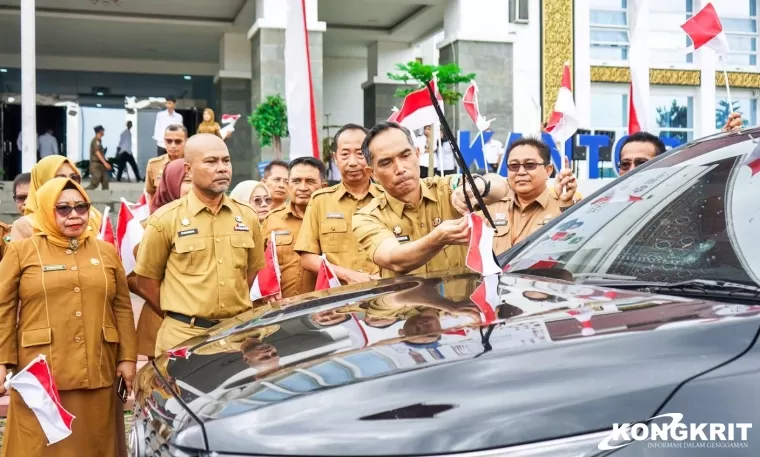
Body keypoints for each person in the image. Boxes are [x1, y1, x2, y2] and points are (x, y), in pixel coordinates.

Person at [0, 177, 137, 457]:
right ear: (47, 211)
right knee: (39, 445)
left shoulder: (106, 252)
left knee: (95, 442)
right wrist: (2, 361)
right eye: (63, 208)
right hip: (40, 373)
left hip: (98, 366)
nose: (74, 215)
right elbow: (3, 308)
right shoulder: (22, 251)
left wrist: (128, 358)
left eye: (81, 207)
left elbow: (122, 307)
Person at [133, 134, 265, 356]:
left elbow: (249, 274)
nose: (222, 168)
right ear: (188, 169)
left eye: (226, 160)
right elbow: (146, 282)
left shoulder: (247, 216)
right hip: (184, 338)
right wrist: (181, 313)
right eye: (211, 161)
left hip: (236, 335)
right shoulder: (165, 220)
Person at [352, 122, 520, 278]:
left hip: (464, 307)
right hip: (405, 310)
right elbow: (393, 259)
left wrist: (480, 186)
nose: (400, 168)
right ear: (371, 173)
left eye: (405, 155)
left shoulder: (447, 188)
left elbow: (502, 186)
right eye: (386, 163)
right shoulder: (367, 216)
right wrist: (438, 238)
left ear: (417, 154)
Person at [295, 123, 382, 284]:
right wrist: (348, 275)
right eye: (345, 154)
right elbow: (307, 258)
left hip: (384, 294)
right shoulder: (320, 201)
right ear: (335, 158)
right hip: (338, 301)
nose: (353, 162)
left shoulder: (388, 198)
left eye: (360, 154)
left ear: (370, 156)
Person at [128, 160, 192, 359]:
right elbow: (134, 278)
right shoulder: (152, 225)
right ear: (171, 183)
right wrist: (172, 308)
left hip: (202, 325)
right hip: (162, 320)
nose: (193, 186)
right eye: (187, 180)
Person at [486, 137, 580, 253]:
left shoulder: (567, 205)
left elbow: (574, 247)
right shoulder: (491, 208)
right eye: (514, 166)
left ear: (548, 170)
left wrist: (566, 205)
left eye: (530, 165)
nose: (521, 172)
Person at [262, 157, 326, 298]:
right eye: (296, 181)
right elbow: (257, 265)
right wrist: (264, 290)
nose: (302, 188)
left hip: (324, 308)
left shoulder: (330, 221)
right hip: (280, 309)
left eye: (310, 181)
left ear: (324, 187)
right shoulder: (271, 220)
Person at [10, 156, 103, 241]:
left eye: (74, 177)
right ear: (41, 183)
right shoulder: (26, 226)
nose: (68, 182)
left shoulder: (94, 217)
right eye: (59, 178)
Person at [145, 124, 187, 197]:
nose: (173, 146)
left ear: (186, 141)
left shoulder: (193, 164)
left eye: (178, 141)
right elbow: (151, 194)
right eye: (169, 141)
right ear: (164, 141)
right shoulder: (154, 164)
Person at [87, 125, 111, 190]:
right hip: (96, 165)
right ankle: (83, 193)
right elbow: (97, 153)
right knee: (95, 182)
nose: (104, 132)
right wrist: (105, 163)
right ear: (99, 131)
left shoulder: (99, 141)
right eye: (103, 130)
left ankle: (106, 197)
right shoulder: (95, 141)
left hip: (101, 164)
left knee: (105, 180)